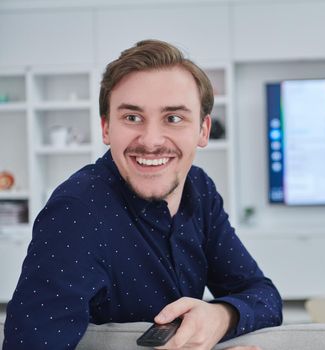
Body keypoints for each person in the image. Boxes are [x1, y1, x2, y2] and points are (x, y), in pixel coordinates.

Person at [3, 39, 282, 349]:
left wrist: (221, 315)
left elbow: (263, 296)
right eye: (132, 118)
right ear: (106, 128)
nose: (150, 141)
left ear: (203, 131)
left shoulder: (199, 189)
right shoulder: (77, 213)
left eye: (173, 118)